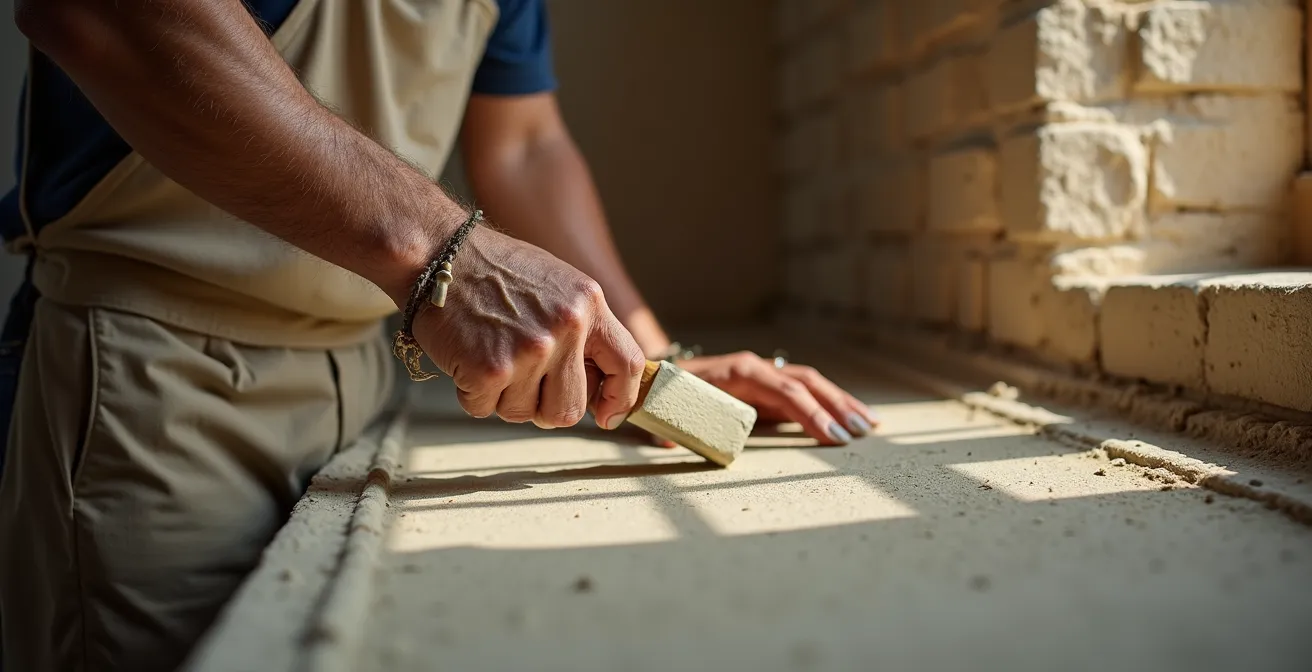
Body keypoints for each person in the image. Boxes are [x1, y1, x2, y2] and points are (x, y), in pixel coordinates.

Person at [0, 1, 879, 669]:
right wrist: (442, 251)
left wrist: (653, 366)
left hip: (356, 375)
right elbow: (108, 15)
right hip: (152, 381)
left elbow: (525, 143)